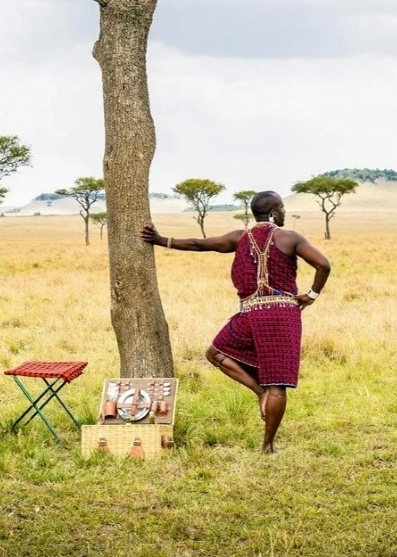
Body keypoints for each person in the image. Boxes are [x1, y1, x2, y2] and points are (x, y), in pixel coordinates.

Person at [141, 191, 330, 454]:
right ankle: (267, 444)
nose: (285, 213)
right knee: (276, 384)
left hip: (251, 313)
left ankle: (258, 392)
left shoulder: (238, 238)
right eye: (283, 208)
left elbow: (199, 244)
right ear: (274, 212)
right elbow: (323, 265)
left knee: (215, 353)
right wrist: (310, 296)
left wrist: (162, 241)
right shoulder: (291, 237)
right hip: (284, 315)